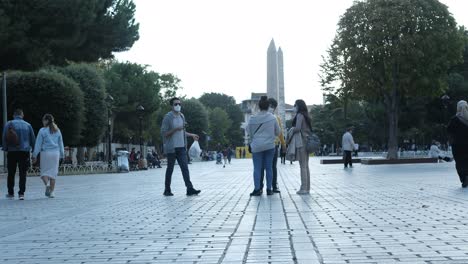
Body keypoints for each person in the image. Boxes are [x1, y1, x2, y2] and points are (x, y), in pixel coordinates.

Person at [161, 98, 201, 196]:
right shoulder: (168, 117)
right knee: (170, 169)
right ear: (172, 106)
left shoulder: (182, 116)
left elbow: (182, 132)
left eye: (179, 103)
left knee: (185, 168)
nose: (178, 105)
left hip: (182, 147)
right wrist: (175, 129)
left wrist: (192, 135)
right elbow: (164, 133)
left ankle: (189, 189)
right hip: (172, 148)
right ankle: (167, 190)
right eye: (176, 104)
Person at [247, 96, 280, 196]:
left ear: (259, 107)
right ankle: (269, 189)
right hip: (270, 146)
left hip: (256, 146)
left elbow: (249, 132)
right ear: (267, 107)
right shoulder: (273, 118)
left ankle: (257, 189)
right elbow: (278, 132)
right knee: (269, 167)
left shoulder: (252, 118)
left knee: (257, 168)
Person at [2, 109, 36, 200]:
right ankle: (21, 193)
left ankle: (10, 193)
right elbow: (33, 140)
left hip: (12, 151)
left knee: (11, 173)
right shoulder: (28, 125)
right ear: (22, 115)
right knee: (22, 173)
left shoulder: (8, 124)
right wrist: (34, 153)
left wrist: (5, 148)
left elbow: (4, 137)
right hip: (24, 152)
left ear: (14, 115)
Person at [32, 114, 64, 198]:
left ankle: (47, 186)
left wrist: (34, 155)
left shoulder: (42, 130)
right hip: (55, 154)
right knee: (53, 174)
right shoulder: (57, 130)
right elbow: (61, 143)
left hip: (45, 153)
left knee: (44, 173)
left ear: (46, 121)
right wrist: (62, 155)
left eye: (43, 120)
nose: (42, 122)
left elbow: (38, 144)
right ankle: (52, 192)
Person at [259, 98, 286, 193]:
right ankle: (260, 187)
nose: (271, 108)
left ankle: (274, 186)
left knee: (273, 166)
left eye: (273, 107)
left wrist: (283, 143)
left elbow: (280, 132)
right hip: (263, 144)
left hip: (274, 145)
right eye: (270, 106)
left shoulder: (277, 118)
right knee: (262, 167)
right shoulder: (260, 117)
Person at [289, 100, 312, 195]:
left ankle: (303, 188)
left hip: (301, 142)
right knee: (306, 165)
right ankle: (307, 188)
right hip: (307, 141)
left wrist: (291, 129)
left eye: (295, 105)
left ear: (298, 106)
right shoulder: (306, 116)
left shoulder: (299, 115)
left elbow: (298, 128)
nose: (294, 107)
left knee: (302, 165)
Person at [447, 100, 468, 188]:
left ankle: (464, 179)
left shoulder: (454, 119)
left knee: (459, 163)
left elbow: (448, 130)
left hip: (457, 146)